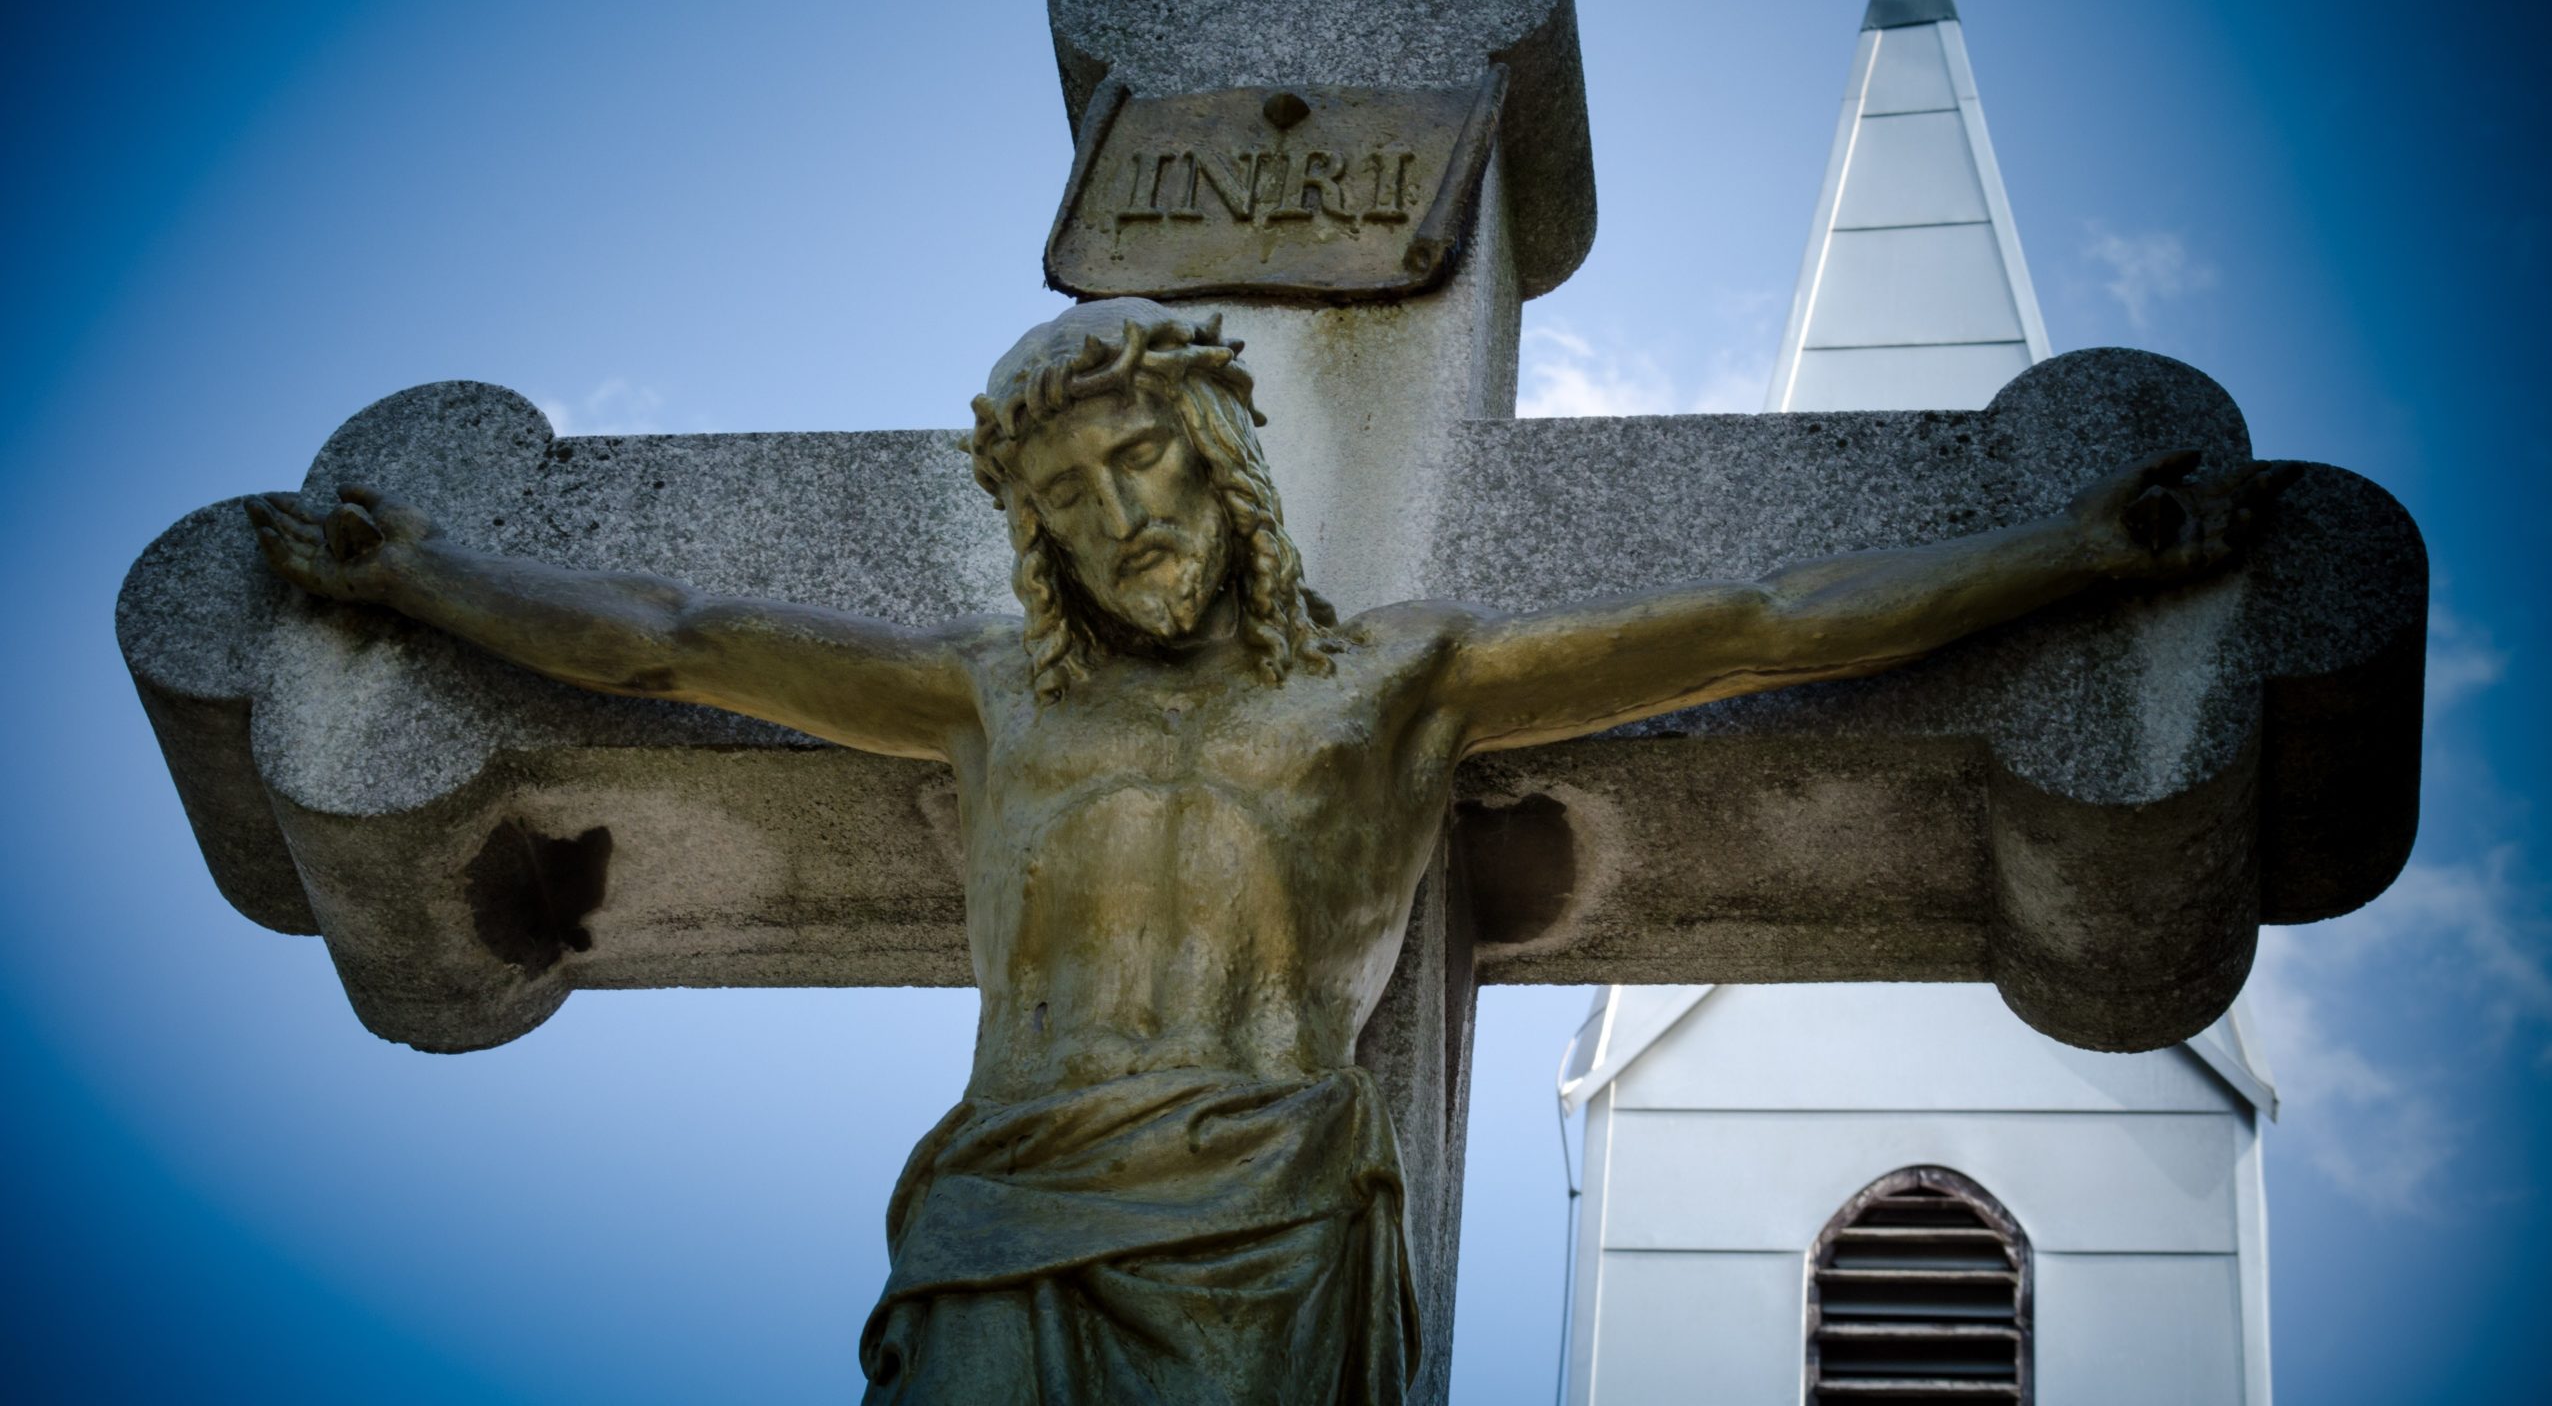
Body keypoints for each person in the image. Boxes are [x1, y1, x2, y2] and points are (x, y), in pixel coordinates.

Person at [247, 297, 2286, 1404]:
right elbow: (681, 648)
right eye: (1066, 495)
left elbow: (1754, 624)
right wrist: (432, 575)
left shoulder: (1394, 687)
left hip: (1265, 1209)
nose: (1120, 516)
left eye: (1143, 461)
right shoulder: (988, 695)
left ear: (1222, 465)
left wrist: (2060, 550)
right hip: (1003, 1207)